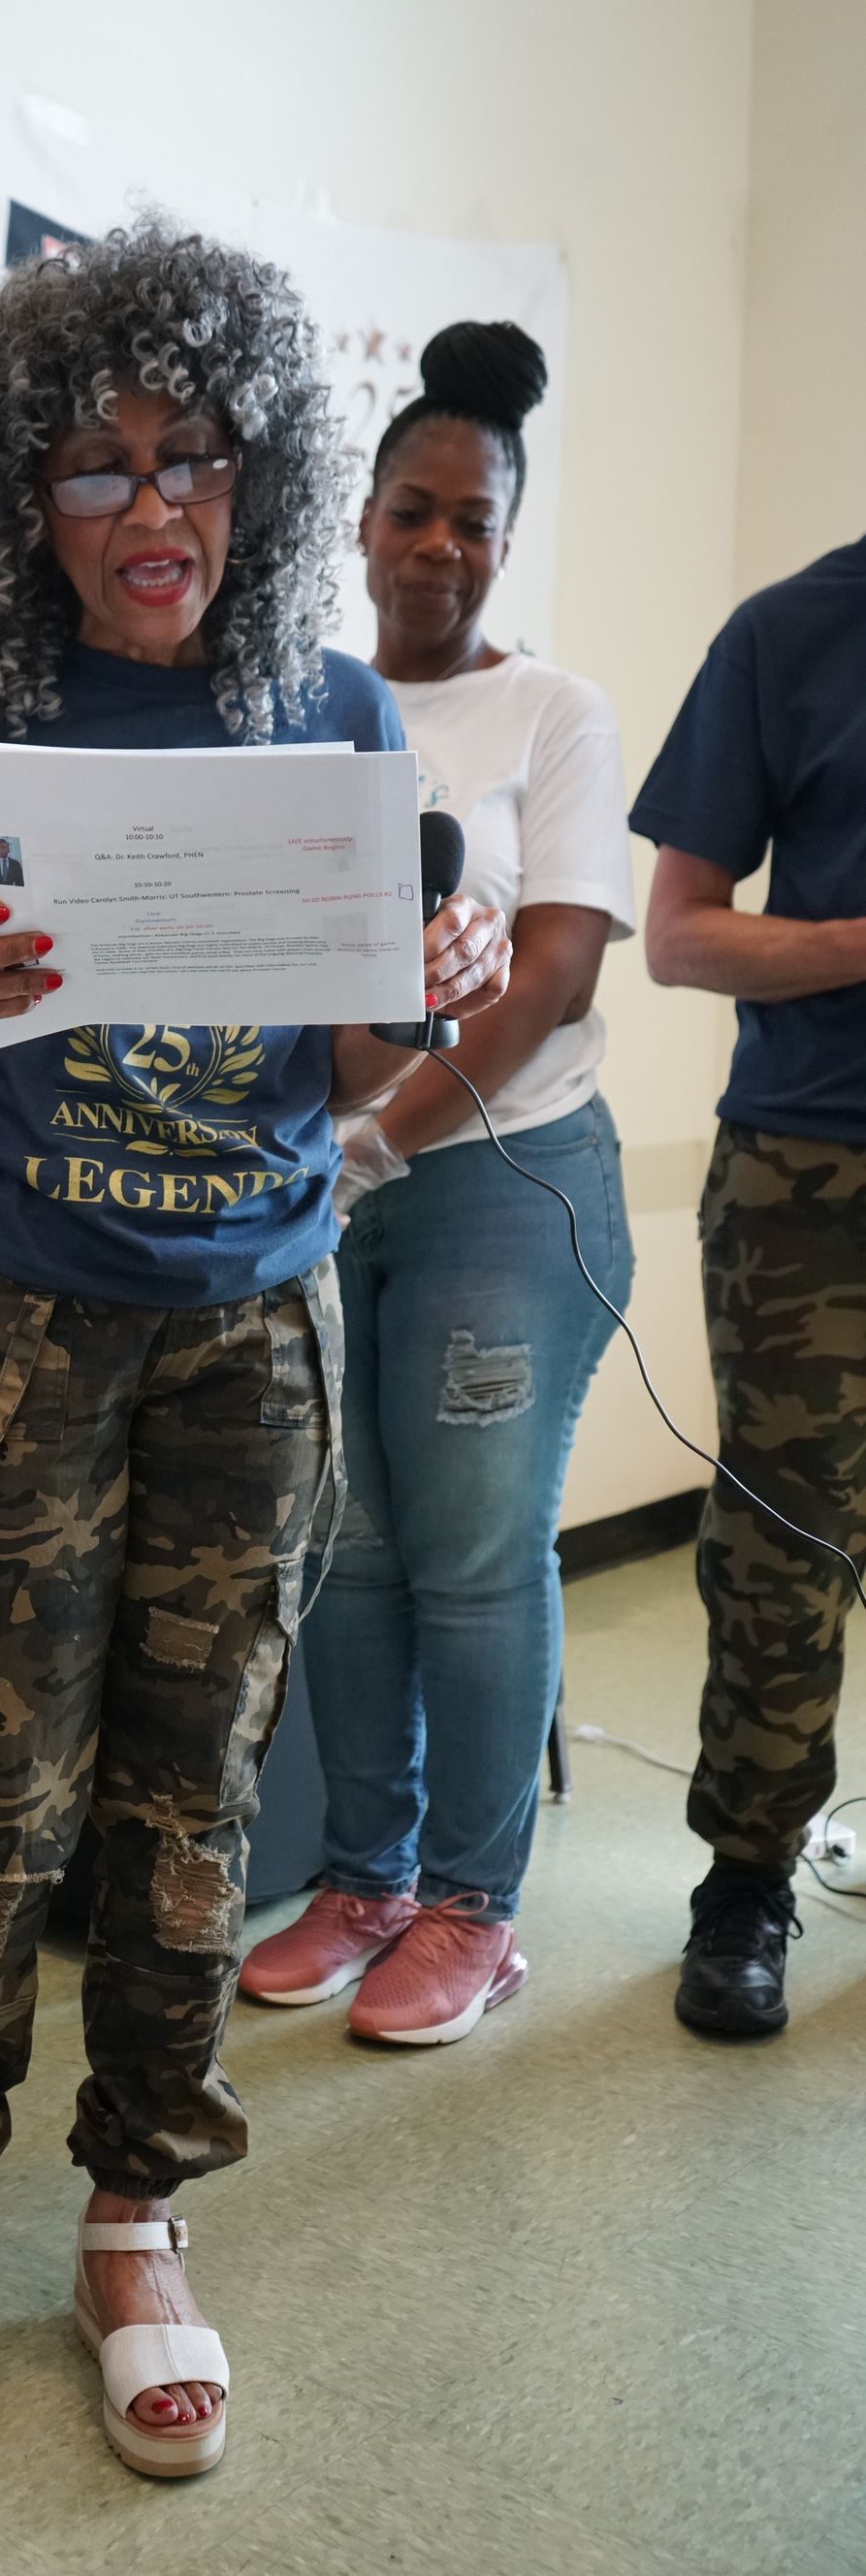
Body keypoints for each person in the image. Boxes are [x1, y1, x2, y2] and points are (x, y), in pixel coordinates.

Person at [0, 223, 511, 2490]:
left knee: (196, 1793)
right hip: (12, 1320)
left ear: (250, 471)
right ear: (16, 497)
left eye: (185, 455)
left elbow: (335, 1065)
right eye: (94, 464)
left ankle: (135, 2208)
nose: (147, 507)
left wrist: (422, 967)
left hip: (256, 1318)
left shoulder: (326, 712)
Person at [240, 323, 634, 2045]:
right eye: (414, 509)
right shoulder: (304, 705)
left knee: (475, 1553)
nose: (440, 545)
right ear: (364, 520)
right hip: (330, 1184)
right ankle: (366, 1877)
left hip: (499, 1182)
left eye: (475, 522)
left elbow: (549, 971)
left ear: (501, 540)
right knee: (353, 1544)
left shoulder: (554, 712)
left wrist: (373, 1135)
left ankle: (477, 1909)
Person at [634, 531, 866, 2036]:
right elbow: (680, 933)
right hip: (815, 1172)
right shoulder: (793, 635)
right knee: (788, 1547)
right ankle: (748, 1878)